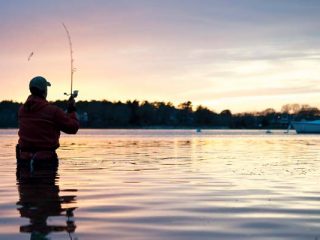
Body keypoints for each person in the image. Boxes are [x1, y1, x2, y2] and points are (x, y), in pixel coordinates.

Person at [16, 76, 79, 168]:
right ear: (44, 91)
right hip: (45, 162)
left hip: (24, 161)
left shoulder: (22, 110)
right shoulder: (53, 111)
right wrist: (71, 110)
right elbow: (73, 128)